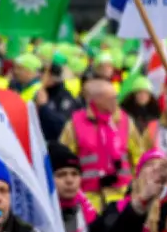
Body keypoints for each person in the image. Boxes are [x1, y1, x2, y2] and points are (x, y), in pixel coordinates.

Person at [59, 77, 143, 211]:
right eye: (111, 98)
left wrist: (138, 187)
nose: (116, 101)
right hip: (89, 200)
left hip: (122, 196)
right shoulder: (74, 125)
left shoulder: (125, 121)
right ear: (95, 100)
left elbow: (139, 157)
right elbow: (64, 160)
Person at [48, 142, 112, 232]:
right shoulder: (41, 217)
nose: (70, 180)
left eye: (75, 174)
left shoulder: (92, 218)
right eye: (61, 174)